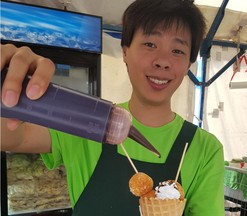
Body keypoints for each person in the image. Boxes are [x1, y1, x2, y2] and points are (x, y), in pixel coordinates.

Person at [1, 0, 225, 215]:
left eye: (177, 50)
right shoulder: (84, 121)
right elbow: (13, 138)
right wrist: (8, 90)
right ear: (125, 51)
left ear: (189, 64)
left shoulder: (205, 149)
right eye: (150, 44)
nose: (162, 61)